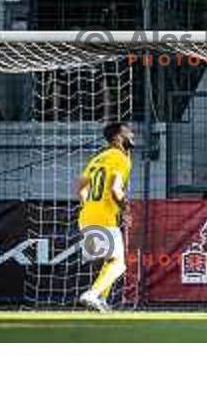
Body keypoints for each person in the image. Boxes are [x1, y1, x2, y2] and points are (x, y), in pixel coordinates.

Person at [78, 122, 134, 312]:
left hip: (87, 217)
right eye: (128, 133)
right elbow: (116, 189)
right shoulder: (121, 158)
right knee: (119, 264)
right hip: (104, 218)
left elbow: (81, 186)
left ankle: (101, 300)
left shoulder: (97, 158)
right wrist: (126, 210)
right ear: (118, 138)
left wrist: (88, 206)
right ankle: (92, 294)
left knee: (110, 261)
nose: (132, 135)